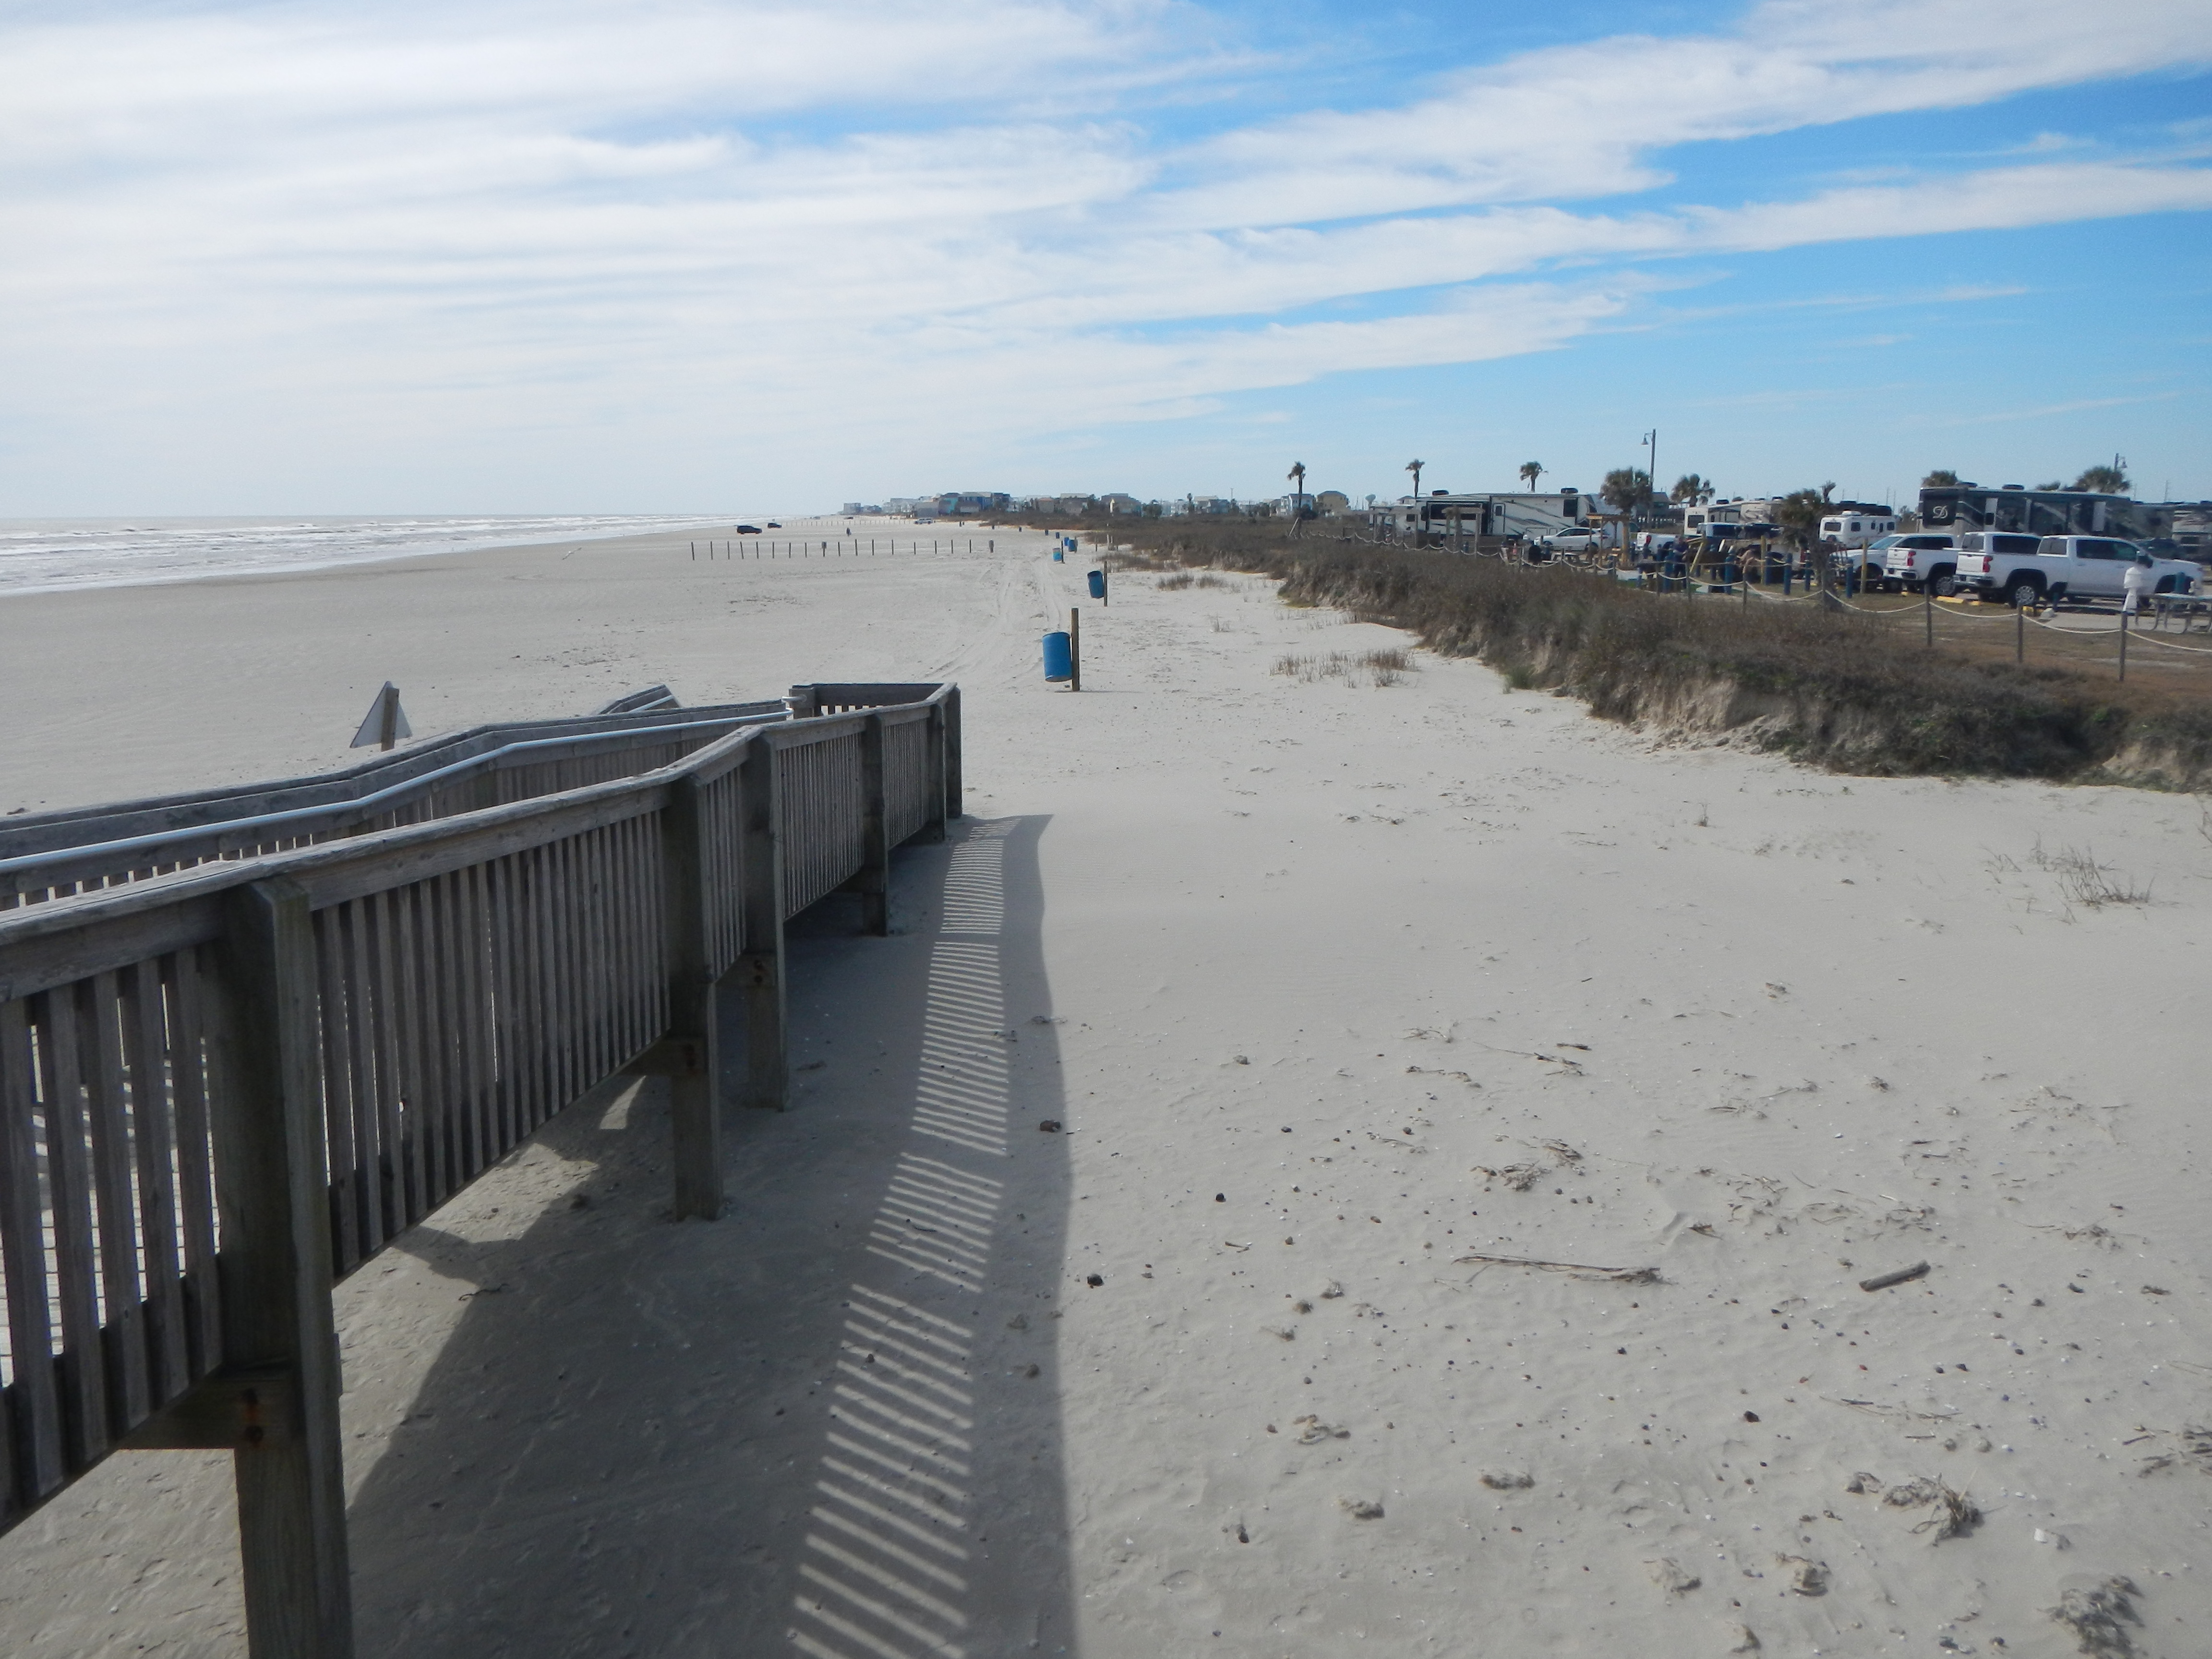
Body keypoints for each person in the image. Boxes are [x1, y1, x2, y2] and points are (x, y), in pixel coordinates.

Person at [2123, 552, 2156, 617]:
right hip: (2134, 583)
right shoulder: (2136, 570)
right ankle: (2130, 609)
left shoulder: (2132, 569)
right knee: (2132, 595)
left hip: (2132, 582)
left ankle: (2129, 609)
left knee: (2132, 595)